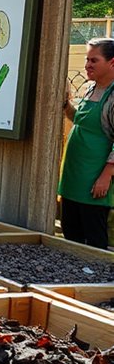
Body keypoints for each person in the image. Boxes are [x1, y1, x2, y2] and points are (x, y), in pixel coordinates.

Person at [58, 38, 114, 249]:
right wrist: (66, 105)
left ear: (112, 63)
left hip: (95, 180)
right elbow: (81, 120)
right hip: (74, 177)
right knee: (70, 234)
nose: (87, 65)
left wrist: (106, 175)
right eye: (87, 59)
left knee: (94, 240)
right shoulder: (91, 89)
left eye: (94, 60)